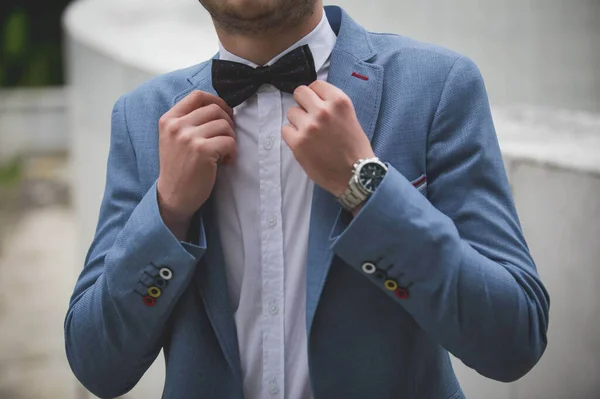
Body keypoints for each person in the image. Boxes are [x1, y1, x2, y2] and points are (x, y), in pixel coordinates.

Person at [64, 1, 550, 398]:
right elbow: (97, 365)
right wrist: (167, 211)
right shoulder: (142, 117)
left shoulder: (438, 87)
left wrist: (364, 183)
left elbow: (512, 340)